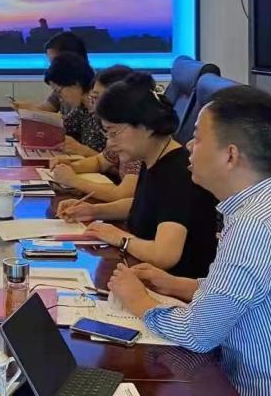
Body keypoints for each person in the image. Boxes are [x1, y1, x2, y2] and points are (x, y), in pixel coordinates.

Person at [108, 86, 271, 396]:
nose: (189, 145)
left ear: (230, 155)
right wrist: (176, 285)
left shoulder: (254, 226)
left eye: (198, 137)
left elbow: (197, 333)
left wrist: (138, 301)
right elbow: (245, 288)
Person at [59, 72, 218, 278]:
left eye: (114, 133)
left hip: (173, 286)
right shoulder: (154, 157)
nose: (110, 143)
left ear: (146, 126)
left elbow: (165, 255)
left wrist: (120, 238)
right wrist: (93, 211)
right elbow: (144, 205)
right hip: (147, 274)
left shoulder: (179, 173)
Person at [48, 64, 140, 203]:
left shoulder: (137, 136)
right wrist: (70, 167)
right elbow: (100, 162)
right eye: (93, 97)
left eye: (97, 98)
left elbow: (122, 195)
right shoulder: (118, 128)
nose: (93, 104)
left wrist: (73, 180)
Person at [43, 53, 105, 157]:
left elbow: (118, 163)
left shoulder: (105, 112)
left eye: (59, 92)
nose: (60, 99)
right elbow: (59, 127)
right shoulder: (82, 109)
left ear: (75, 84)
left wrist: (85, 151)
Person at [12, 31, 88, 112]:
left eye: (55, 63)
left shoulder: (91, 85)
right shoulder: (63, 82)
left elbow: (72, 119)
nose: (53, 67)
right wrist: (25, 107)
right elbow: (47, 107)